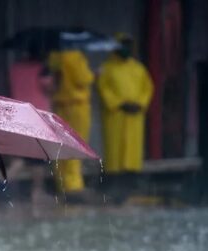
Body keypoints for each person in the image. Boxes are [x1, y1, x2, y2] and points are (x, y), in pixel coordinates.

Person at [98, 33, 154, 199]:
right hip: (116, 115)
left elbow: (148, 88)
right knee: (115, 149)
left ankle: (132, 180)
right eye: (123, 45)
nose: (126, 49)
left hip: (134, 115)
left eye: (129, 45)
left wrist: (140, 104)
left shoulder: (138, 68)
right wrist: (119, 103)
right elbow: (103, 88)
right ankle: (113, 182)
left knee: (132, 149)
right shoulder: (107, 68)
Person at [7, 43, 55, 203]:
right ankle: (37, 192)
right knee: (38, 157)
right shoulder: (42, 69)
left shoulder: (15, 68)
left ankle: (4, 185)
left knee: (22, 156)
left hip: (19, 114)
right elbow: (49, 88)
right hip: (38, 115)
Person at [48, 48, 95, 200]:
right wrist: (93, 73)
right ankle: (73, 185)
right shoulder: (75, 56)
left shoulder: (54, 56)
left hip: (59, 105)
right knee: (76, 143)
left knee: (60, 145)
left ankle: (61, 183)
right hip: (76, 105)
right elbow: (83, 79)